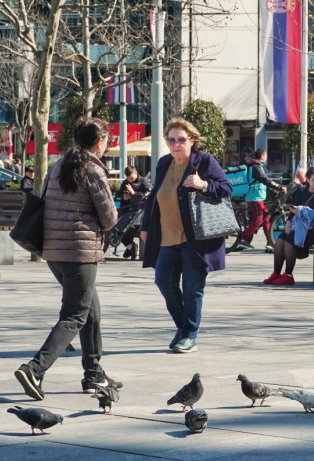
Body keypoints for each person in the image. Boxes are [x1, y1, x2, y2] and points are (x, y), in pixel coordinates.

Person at [14, 118, 119, 401]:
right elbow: (110, 218)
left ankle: (93, 374)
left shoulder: (58, 166)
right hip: (79, 254)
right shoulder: (93, 170)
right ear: (100, 141)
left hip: (54, 252)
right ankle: (34, 369)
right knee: (74, 316)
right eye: (107, 141)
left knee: (91, 312)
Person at [140, 118, 232, 354]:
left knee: (192, 289)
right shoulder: (163, 163)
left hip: (196, 240)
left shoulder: (204, 161)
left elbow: (226, 188)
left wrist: (203, 185)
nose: (176, 145)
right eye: (171, 140)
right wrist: (145, 226)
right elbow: (155, 196)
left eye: (181, 140)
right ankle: (184, 328)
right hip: (167, 238)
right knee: (163, 281)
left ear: (192, 140)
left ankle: (189, 335)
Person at [264, 167, 314, 286]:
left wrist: (300, 212)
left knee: (290, 240)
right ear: (308, 180)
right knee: (280, 240)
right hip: (299, 224)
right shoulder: (302, 190)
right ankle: (276, 273)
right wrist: (289, 221)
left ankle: (288, 275)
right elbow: (293, 208)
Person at [238, 149, 286, 252]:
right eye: (266, 155)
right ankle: (243, 239)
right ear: (262, 156)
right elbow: (265, 179)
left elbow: (263, 182)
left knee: (266, 218)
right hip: (254, 197)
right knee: (258, 220)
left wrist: (274, 190)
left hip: (258, 196)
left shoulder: (257, 166)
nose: (266, 157)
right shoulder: (255, 167)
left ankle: (270, 242)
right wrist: (279, 187)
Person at [117, 165, 152, 259]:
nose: (130, 180)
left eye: (132, 178)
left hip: (140, 213)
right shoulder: (125, 183)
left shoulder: (144, 182)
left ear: (136, 173)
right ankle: (130, 246)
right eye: (128, 179)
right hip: (127, 210)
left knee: (130, 226)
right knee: (116, 228)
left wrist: (134, 194)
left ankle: (131, 248)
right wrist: (123, 197)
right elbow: (118, 195)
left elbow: (148, 197)